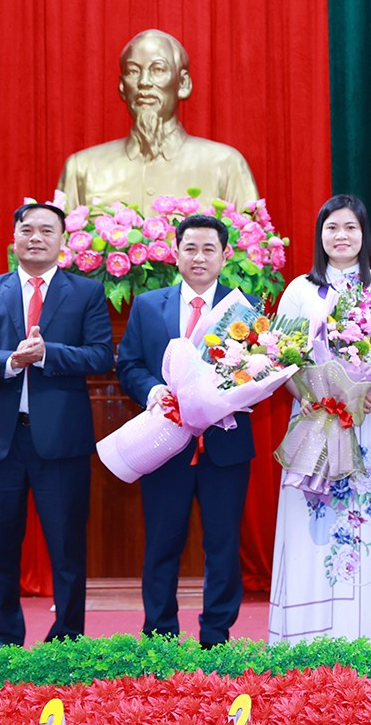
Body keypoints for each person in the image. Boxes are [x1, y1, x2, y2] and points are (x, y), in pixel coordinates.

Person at [0, 202, 113, 647]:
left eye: (46, 230)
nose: (36, 237)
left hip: (61, 443)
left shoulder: (86, 292)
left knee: (67, 550)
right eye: (27, 230)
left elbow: (101, 355)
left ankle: (67, 642)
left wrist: (47, 354)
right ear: (14, 239)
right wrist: (10, 361)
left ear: (63, 240)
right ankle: (3, 641)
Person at [267, 195, 371, 641]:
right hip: (316, 418)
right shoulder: (299, 290)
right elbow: (281, 357)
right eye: (332, 228)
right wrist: (302, 394)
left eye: (350, 227)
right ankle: (308, 636)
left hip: (368, 420)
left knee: (368, 517)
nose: (341, 236)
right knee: (313, 520)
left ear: (364, 235)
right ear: (320, 235)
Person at [114, 213, 253, 647]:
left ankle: (216, 635)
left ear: (225, 255)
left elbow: (259, 369)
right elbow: (129, 364)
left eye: (209, 249)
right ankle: (160, 635)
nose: (199, 257)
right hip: (164, 443)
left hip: (224, 445)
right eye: (190, 248)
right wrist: (153, 390)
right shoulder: (147, 305)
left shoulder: (245, 308)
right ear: (175, 254)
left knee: (223, 545)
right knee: (162, 542)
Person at [57, 29, 259, 209]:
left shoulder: (225, 165)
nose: (144, 82)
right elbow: (59, 239)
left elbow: (252, 238)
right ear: (122, 87)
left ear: (183, 84)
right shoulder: (82, 168)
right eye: (133, 71)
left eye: (158, 70)